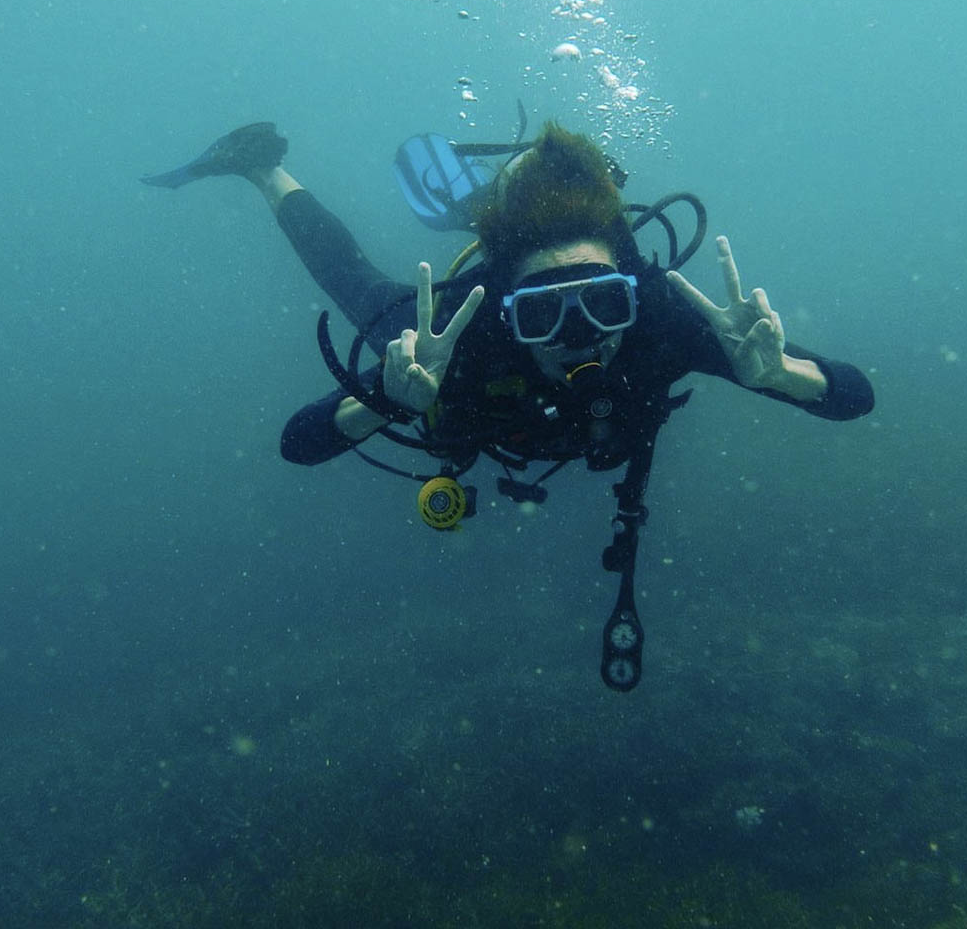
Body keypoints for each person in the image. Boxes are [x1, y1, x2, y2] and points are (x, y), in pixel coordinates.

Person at [143, 120, 874, 690]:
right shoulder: (463, 328)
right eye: (542, 315)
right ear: (507, 311)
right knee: (361, 291)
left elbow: (854, 396)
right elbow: (296, 442)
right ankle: (263, 166)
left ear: (631, 292)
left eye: (602, 303)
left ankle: (509, 189)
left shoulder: (661, 319)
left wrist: (777, 375)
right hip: (467, 333)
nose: (577, 335)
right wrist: (384, 401)